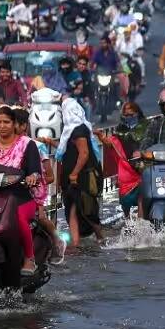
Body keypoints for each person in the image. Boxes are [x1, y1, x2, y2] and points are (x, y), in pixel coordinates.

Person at [0, 106, 46, 275]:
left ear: (14, 123)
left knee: (19, 219)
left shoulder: (27, 144)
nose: (2, 126)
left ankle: (29, 259)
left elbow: (35, 169)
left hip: (21, 197)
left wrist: (32, 177)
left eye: (6, 122)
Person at [12, 108, 66, 264]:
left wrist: (32, 181)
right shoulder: (4, 146)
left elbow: (49, 176)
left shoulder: (37, 146)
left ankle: (57, 240)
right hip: (13, 190)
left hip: (35, 190)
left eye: (12, 123)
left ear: (23, 126)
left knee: (40, 217)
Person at [55, 98, 103, 247]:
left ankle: (100, 236)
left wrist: (74, 173)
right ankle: (75, 242)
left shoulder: (78, 129)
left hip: (81, 177)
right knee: (73, 209)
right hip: (72, 177)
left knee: (86, 209)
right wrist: (50, 142)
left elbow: (84, 153)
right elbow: (69, 149)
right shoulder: (71, 130)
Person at [95, 102, 147, 218]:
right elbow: (112, 143)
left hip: (143, 167)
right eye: (126, 115)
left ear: (137, 113)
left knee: (142, 197)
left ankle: (141, 222)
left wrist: (143, 154)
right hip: (126, 169)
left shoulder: (146, 127)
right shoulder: (120, 129)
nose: (129, 117)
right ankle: (127, 220)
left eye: (131, 114)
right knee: (125, 200)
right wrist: (101, 137)